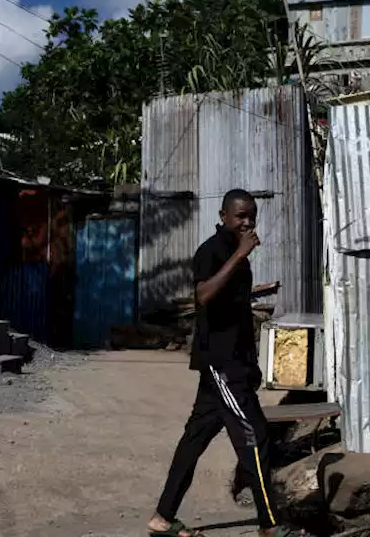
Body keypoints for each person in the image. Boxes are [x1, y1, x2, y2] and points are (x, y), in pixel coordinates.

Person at [148, 189, 301, 537]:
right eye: (240, 216)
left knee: (194, 440)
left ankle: (162, 518)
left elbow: (237, 315)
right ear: (224, 216)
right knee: (255, 435)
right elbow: (202, 296)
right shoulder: (212, 251)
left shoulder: (237, 255)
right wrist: (240, 255)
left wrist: (251, 365)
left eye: (252, 216)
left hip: (234, 364)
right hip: (221, 364)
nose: (247, 222)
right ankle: (269, 525)